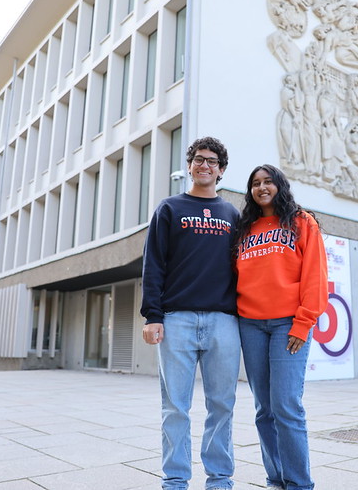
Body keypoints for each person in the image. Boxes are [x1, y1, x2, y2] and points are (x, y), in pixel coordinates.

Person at [140, 137, 241, 490]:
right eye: (198, 159)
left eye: (212, 161)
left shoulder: (232, 215)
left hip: (224, 321)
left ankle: (219, 480)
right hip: (177, 320)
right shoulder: (169, 208)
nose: (204, 165)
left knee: (222, 406)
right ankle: (175, 480)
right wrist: (152, 315)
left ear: (221, 171)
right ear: (190, 166)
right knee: (175, 408)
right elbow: (154, 264)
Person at [234, 164, 328, 490]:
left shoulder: (302, 222)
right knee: (264, 409)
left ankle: (300, 484)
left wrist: (303, 323)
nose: (261, 187)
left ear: (279, 185)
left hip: (289, 324)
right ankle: (276, 479)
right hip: (250, 325)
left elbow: (315, 276)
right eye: (255, 183)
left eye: (267, 181)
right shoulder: (245, 229)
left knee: (286, 405)